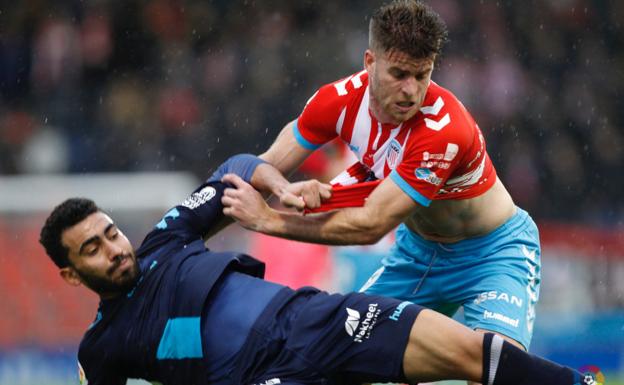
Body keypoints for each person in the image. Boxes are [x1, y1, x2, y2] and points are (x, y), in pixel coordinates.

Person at [39, 154, 585, 385]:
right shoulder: (101, 346)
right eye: (91, 249)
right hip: (257, 377)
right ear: (70, 273)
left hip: (313, 318)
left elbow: (233, 172)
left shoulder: (166, 239)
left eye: (110, 233)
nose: (113, 248)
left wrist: (275, 186)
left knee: (470, 351)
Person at [222, 0, 541, 366]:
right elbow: (261, 168)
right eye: (400, 74)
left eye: (422, 76)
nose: (411, 91)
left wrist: (269, 220)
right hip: (417, 254)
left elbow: (371, 225)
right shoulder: (336, 102)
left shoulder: (444, 129)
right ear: (370, 62)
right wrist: (278, 190)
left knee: (497, 364)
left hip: (492, 253)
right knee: (337, 356)